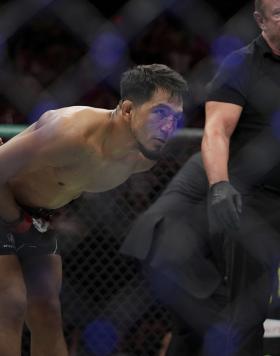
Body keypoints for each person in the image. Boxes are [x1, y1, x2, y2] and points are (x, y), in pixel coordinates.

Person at [121, 0, 280, 354]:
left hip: (203, 241)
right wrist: (221, 185)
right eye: (279, 13)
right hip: (175, 246)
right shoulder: (242, 66)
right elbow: (216, 131)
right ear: (259, 20)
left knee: (204, 328)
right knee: (234, 318)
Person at [0, 63, 187, 356]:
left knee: (47, 312)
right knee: (10, 302)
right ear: (127, 110)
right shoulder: (70, 133)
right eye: (160, 113)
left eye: (176, 118)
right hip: (4, 202)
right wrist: (15, 218)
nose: (168, 127)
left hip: (36, 218)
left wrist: (27, 222)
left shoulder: (142, 158)